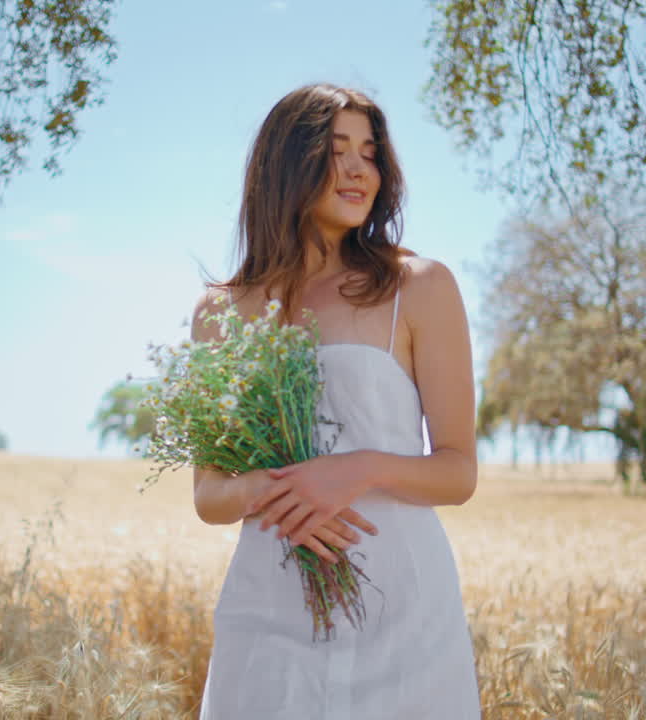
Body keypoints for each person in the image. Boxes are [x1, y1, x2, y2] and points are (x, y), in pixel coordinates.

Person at [190, 83, 481, 719]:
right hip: (268, 601)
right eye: (336, 149)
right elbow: (209, 494)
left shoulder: (420, 287)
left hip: (402, 605)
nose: (358, 170)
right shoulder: (220, 312)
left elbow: (458, 472)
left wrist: (358, 469)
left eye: (370, 153)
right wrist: (277, 489)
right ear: (288, 164)